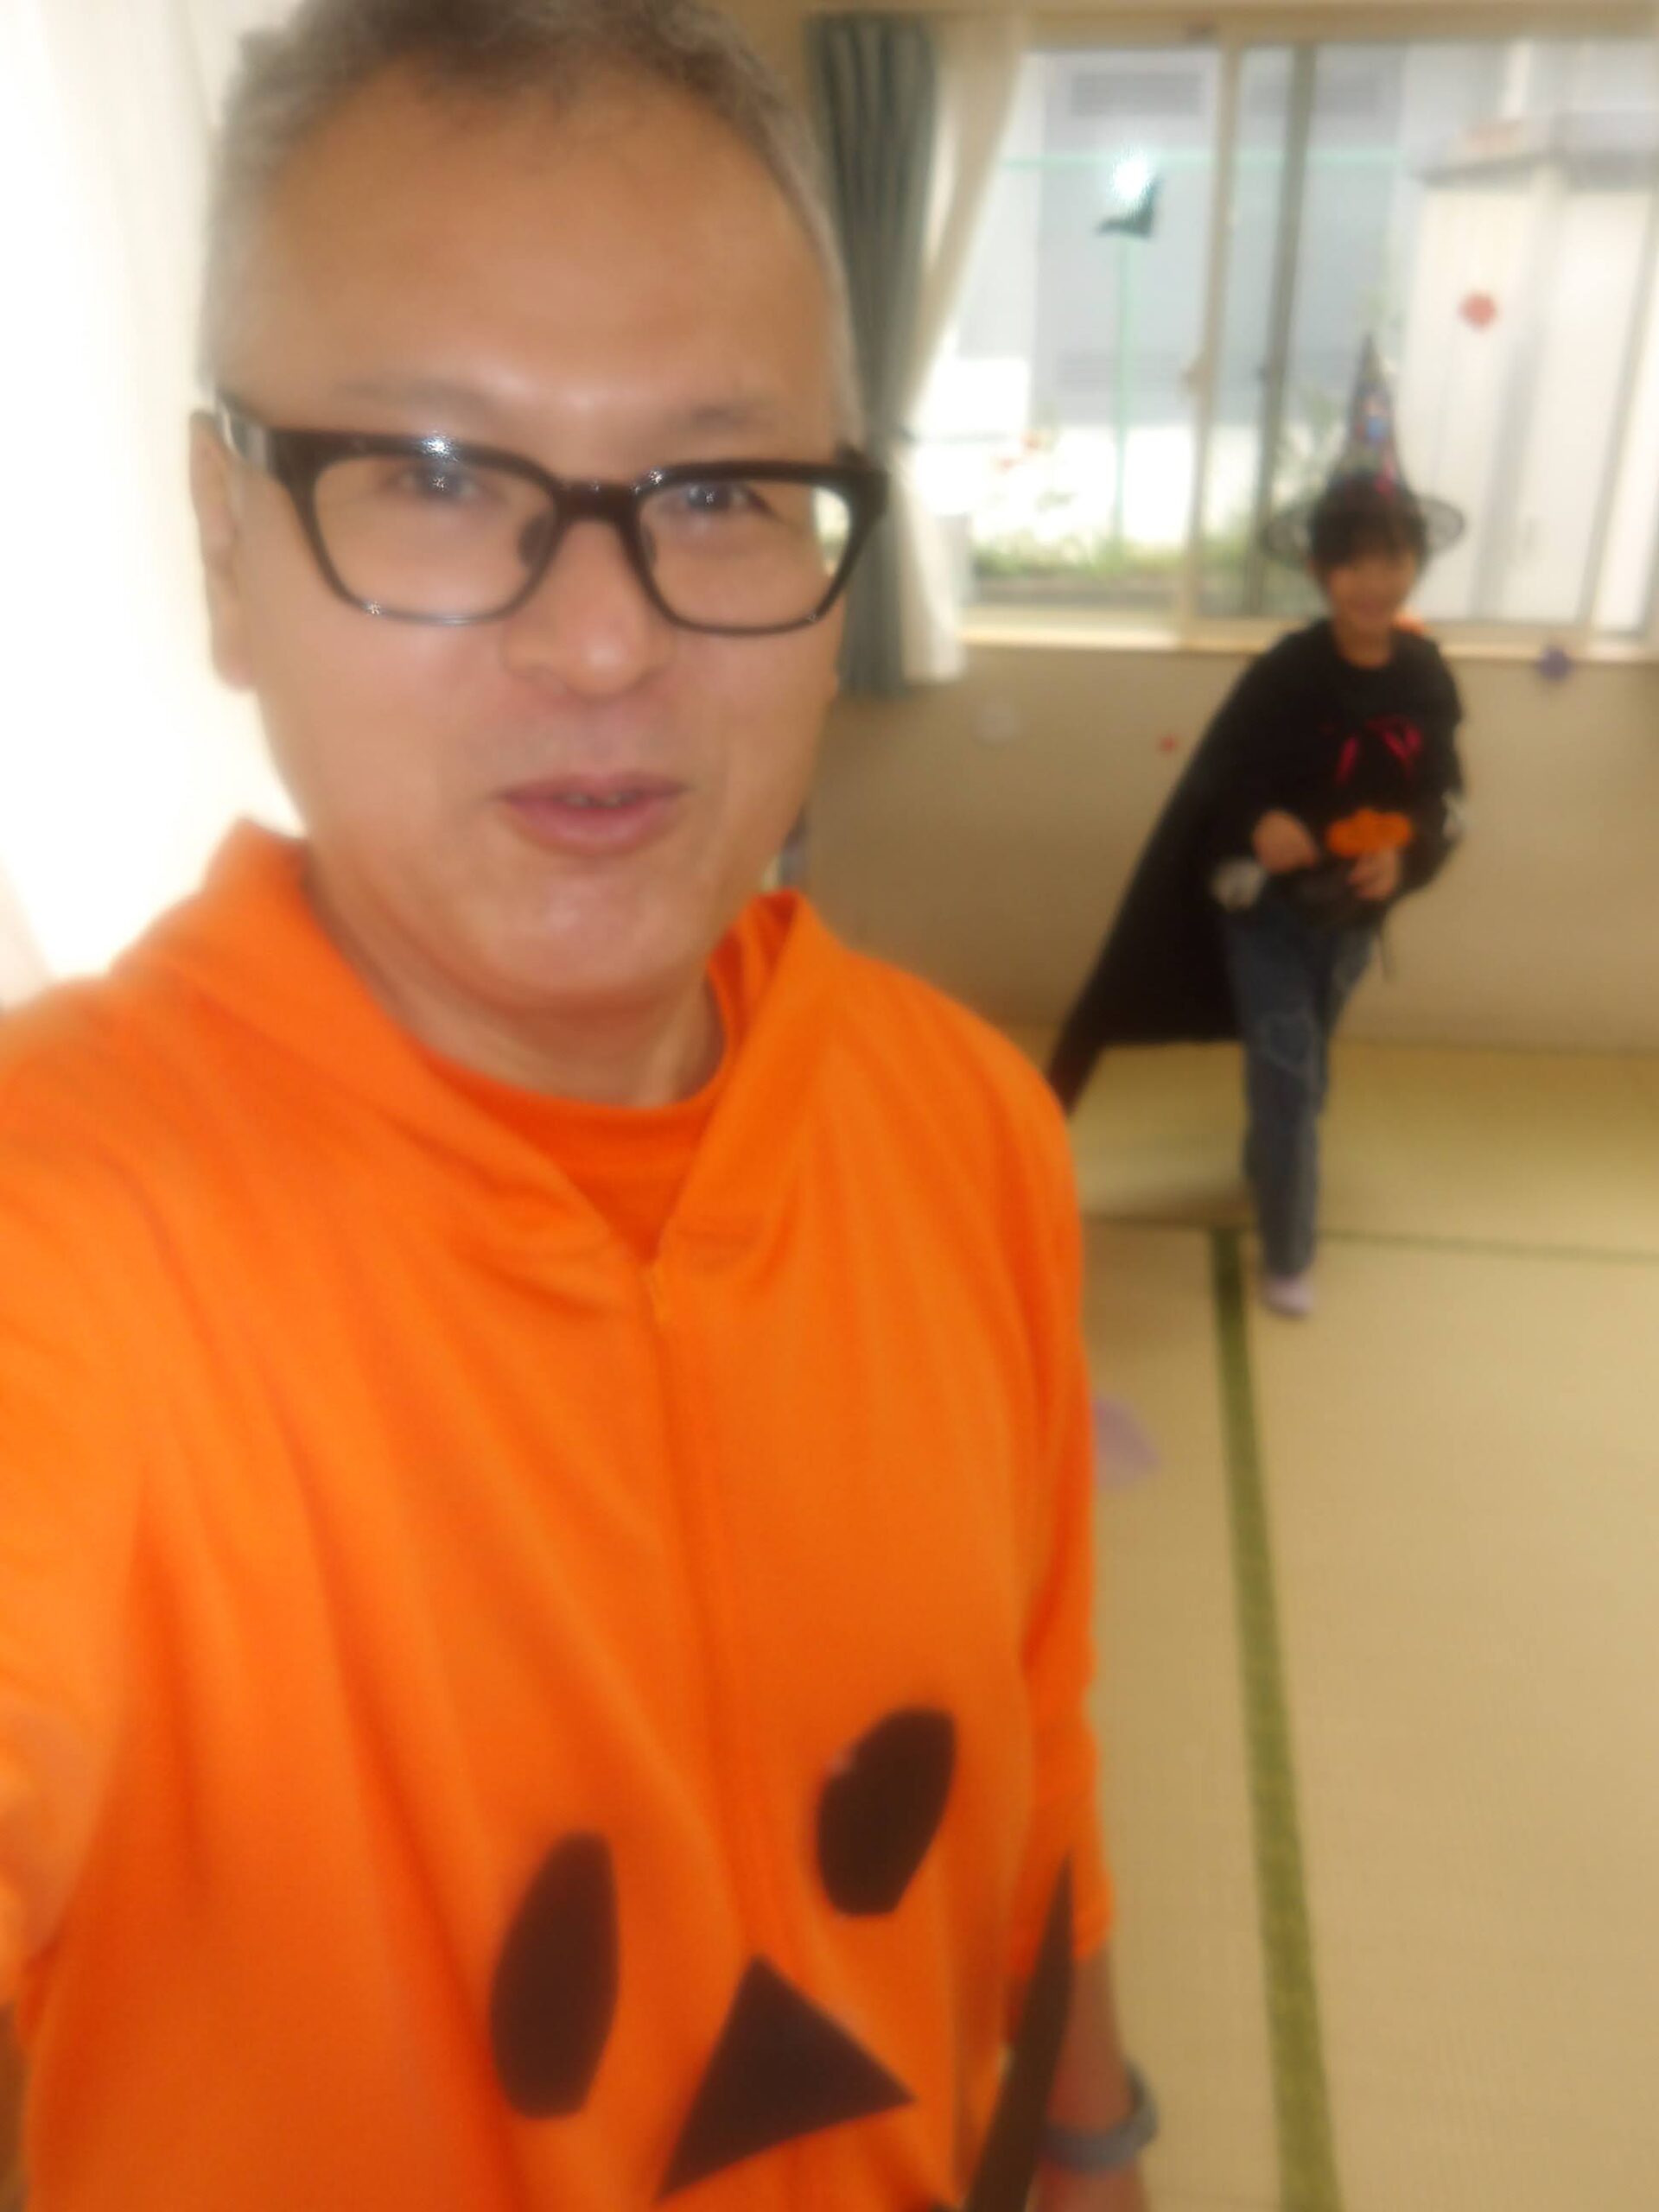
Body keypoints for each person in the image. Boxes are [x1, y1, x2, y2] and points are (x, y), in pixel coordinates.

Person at [0, 4, 1153, 2208]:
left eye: (717, 492)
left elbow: (1042, 1744)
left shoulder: (968, 1122)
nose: (608, 643)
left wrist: (1094, 2136)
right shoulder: (62, 1242)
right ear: (226, 546)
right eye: (438, 475)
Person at [1048, 342, 1466, 1317]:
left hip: (1350, 922)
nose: (1373, 581)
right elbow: (1220, 777)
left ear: (1413, 564)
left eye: (1392, 559)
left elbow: (1445, 797)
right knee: (1286, 1071)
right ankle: (1288, 1249)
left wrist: (1406, 858)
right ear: (1322, 570)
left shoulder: (1426, 676)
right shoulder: (1286, 671)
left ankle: (1267, 1161)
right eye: (1352, 561)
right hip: (1265, 914)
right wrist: (1263, 820)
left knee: (1300, 1073)